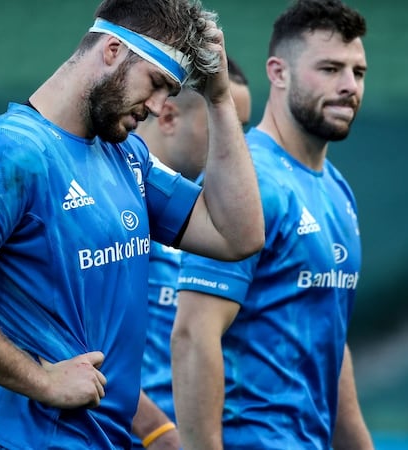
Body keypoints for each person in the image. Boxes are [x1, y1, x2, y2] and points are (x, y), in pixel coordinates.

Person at [0, 0, 265, 447]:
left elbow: (238, 236)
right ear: (112, 50)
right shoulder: (14, 149)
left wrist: (220, 99)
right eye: (155, 84)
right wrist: (41, 380)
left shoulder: (124, 153)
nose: (155, 106)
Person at [170, 0, 374, 449]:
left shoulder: (337, 191)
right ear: (278, 72)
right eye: (330, 69)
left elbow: (330, 341)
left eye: (357, 73)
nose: (348, 86)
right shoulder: (248, 182)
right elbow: (193, 333)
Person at [130, 58, 252, 449]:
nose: (239, 145)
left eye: (243, 128)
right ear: (168, 117)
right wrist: (158, 433)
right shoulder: (112, 207)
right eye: (224, 124)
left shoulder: (216, 224)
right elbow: (74, 344)